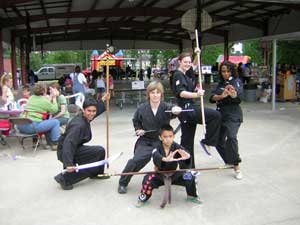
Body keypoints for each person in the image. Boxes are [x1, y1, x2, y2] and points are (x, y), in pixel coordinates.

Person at [118, 81, 181, 194]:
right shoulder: (142, 108)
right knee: (135, 161)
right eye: (153, 92)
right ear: (148, 94)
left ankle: (173, 179)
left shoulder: (166, 107)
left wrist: (176, 109)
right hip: (145, 141)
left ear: (161, 94)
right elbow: (136, 120)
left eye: (158, 92)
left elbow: (174, 110)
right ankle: (123, 182)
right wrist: (138, 130)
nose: (155, 95)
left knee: (174, 159)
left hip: (162, 142)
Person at [172, 52, 221, 168]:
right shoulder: (178, 75)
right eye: (185, 62)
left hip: (188, 110)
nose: (188, 64)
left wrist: (197, 53)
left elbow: (194, 64)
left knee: (187, 141)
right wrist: (197, 94)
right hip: (187, 109)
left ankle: (187, 169)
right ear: (179, 62)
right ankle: (208, 141)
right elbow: (181, 93)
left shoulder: (186, 73)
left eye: (189, 62)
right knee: (215, 116)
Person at [136, 124, 201, 207]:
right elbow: (155, 154)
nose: (168, 139)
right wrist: (164, 159)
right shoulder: (157, 146)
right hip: (160, 174)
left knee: (189, 176)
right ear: (160, 137)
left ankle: (192, 195)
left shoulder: (176, 147)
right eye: (165, 137)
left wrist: (187, 158)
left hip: (174, 174)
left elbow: (185, 158)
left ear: (173, 136)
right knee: (147, 179)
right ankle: (143, 198)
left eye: (170, 136)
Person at [54, 96, 110, 190]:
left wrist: (102, 100)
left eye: (94, 111)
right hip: (66, 151)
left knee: (100, 151)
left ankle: (97, 173)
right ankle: (64, 179)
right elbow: (69, 143)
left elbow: (93, 113)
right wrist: (69, 163)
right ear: (83, 110)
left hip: (75, 147)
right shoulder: (78, 125)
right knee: (90, 167)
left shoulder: (85, 117)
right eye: (89, 111)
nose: (92, 113)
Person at [210, 61, 243, 180]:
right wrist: (221, 96)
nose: (225, 73)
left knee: (231, 137)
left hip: (233, 115)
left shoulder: (237, 82)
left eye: (228, 71)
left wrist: (233, 94)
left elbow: (238, 96)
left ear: (232, 71)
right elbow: (212, 97)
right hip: (220, 114)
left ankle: (236, 165)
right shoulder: (220, 84)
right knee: (218, 141)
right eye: (223, 71)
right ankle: (229, 161)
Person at [17, 83, 60, 150]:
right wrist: (54, 98)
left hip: (20, 126)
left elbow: (43, 103)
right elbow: (54, 110)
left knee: (46, 122)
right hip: (32, 127)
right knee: (55, 122)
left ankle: (44, 142)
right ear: (44, 91)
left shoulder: (31, 98)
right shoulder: (44, 101)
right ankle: (55, 144)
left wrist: (50, 96)